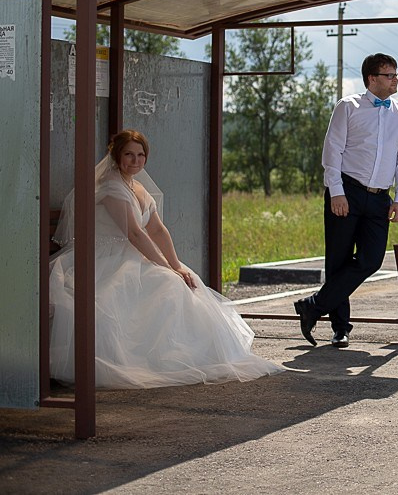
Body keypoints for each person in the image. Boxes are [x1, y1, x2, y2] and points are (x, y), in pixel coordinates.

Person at [48, 129, 285, 389]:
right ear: (116, 155)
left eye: (141, 155)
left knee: (186, 279)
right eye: (129, 154)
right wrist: (167, 268)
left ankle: (188, 356)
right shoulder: (110, 186)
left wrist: (176, 264)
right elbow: (134, 234)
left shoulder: (136, 186)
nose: (136, 161)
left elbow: (158, 230)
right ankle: (157, 359)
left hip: (133, 254)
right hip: (106, 257)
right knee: (167, 283)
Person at [294, 53, 398, 347]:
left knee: (371, 260)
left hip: (379, 198)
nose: (395, 79)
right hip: (347, 190)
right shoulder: (349, 107)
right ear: (372, 78)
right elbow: (332, 150)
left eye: (397, 74)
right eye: (390, 75)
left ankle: (313, 306)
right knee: (338, 259)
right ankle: (340, 328)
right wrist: (336, 191)